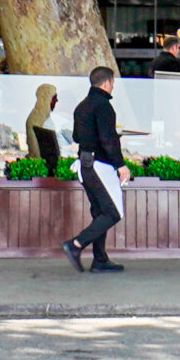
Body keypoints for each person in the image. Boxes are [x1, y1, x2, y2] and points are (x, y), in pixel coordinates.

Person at [63, 66, 129, 273]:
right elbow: (108, 139)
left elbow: (75, 137)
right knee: (113, 212)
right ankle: (75, 245)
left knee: (100, 211)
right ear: (107, 83)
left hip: (84, 165)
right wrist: (121, 165)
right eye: (112, 85)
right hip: (100, 165)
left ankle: (100, 260)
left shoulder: (81, 106)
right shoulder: (104, 106)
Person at [24, 82, 62, 162]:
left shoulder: (45, 118)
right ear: (47, 98)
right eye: (54, 98)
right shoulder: (36, 120)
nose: (57, 101)